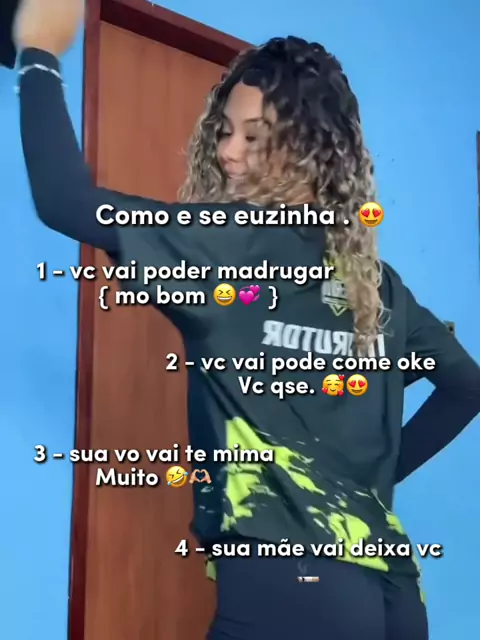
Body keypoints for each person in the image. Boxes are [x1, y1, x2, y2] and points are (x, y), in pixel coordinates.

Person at [13, 1, 480, 639]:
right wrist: (375, 477)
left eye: (254, 137)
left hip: (288, 593)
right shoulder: (376, 283)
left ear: (306, 149)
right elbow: (466, 386)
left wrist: (39, 51)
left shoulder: (227, 246)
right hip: (394, 597)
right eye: (225, 131)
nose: (229, 152)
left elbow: (65, 201)